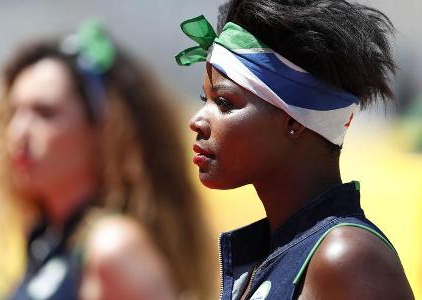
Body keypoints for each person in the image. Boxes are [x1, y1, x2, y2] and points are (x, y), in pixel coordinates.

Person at [176, 0, 414, 299]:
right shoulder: (272, 253)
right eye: (204, 99)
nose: (196, 121)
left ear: (295, 120)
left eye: (224, 103)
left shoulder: (346, 258)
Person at [0, 21, 214, 300]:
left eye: (45, 113)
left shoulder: (112, 247)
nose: (16, 133)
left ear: (106, 130)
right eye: (14, 112)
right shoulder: (48, 237)